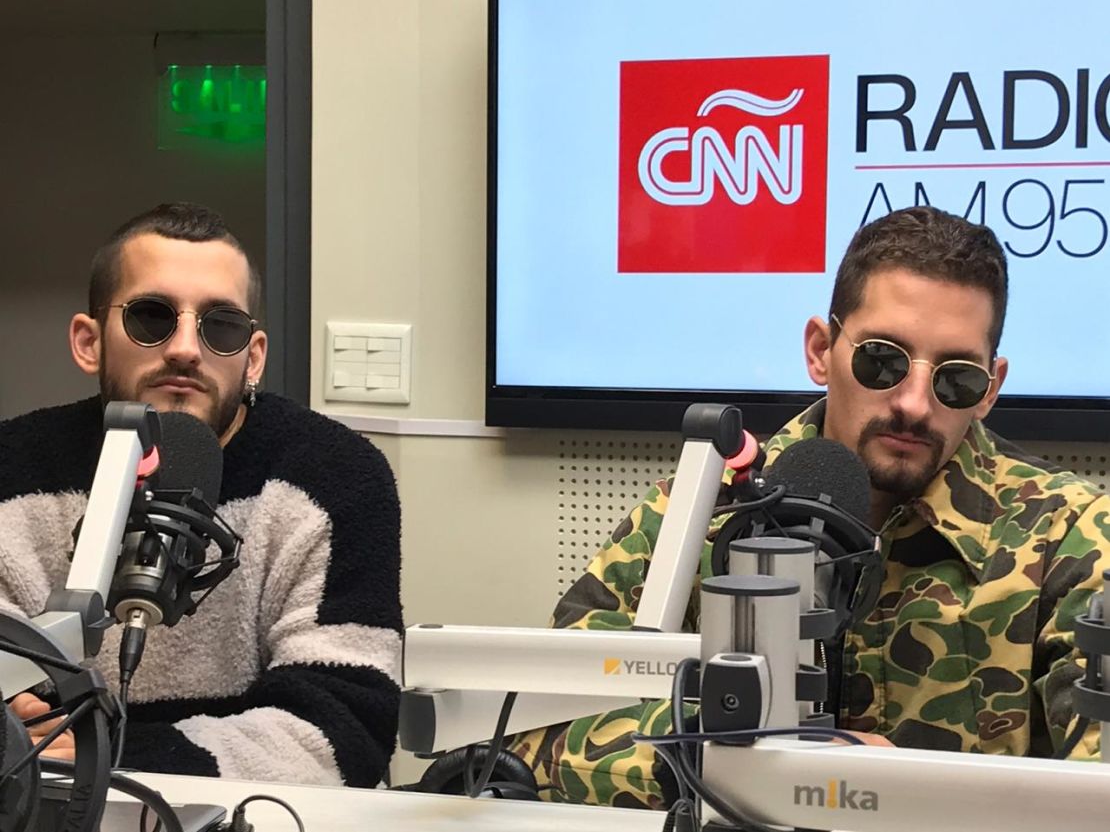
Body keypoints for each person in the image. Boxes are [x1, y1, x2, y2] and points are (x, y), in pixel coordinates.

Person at [508, 206, 1108, 808]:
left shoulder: (1069, 537)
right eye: (882, 361)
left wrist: (909, 795)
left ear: (991, 389)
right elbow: (528, 736)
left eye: (956, 379)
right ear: (822, 350)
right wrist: (764, 762)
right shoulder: (697, 511)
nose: (915, 404)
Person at [0, 203, 402, 787]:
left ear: (253, 356)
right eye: (152, 317)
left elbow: (343, 733)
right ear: (89, 342)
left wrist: (104, 754)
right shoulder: (12, 471)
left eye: (221, 325)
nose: (187, 347)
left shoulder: (335, 477)